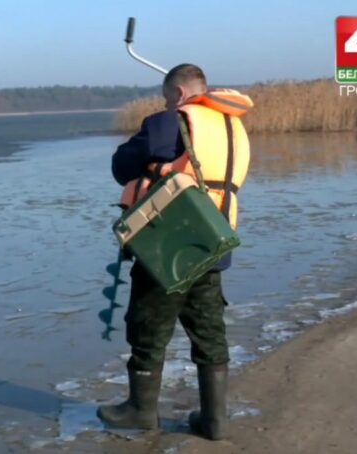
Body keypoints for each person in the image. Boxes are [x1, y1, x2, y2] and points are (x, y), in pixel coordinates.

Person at [97, 63, 251, 441]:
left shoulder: (169, 122)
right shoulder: (233, 128)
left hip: (169, 244)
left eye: (167, 98)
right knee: (209, 330)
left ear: (179, 94)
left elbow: (121, 166)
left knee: (148, 326)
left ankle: (140, 411)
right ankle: (215, 420)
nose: (167, 104)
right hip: (213, 242)